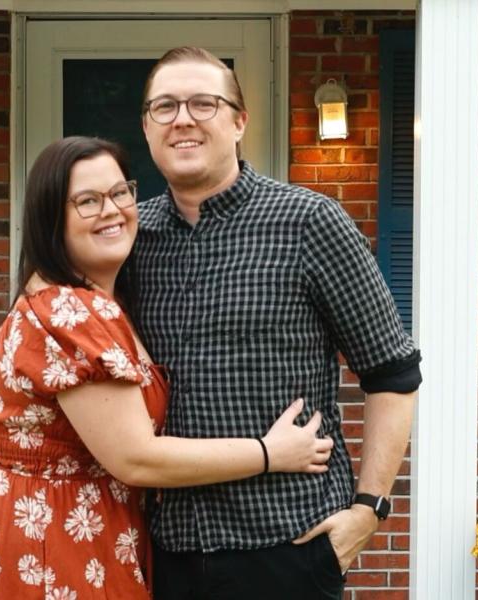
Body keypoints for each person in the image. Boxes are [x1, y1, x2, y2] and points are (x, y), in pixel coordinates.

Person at [0, 136, 335, 599]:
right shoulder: (69, 313)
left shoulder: (98, 301)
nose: (112, 210)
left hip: (80, 529)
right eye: (87, 201)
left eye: (121, 192)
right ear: (50, 219)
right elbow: (136, 457)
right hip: (59, 542)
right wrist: (269, 453)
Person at [135, 47, 421, 599]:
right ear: (147, 127)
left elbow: (393, 373)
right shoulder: (131, 237)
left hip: (289, 547)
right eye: (164, 107)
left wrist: (370, 508)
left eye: (203, 103)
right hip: (163, 551)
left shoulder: (309, 221)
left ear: (239, 121)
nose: (183, 119)